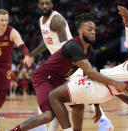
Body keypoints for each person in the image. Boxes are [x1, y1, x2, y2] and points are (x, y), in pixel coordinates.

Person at [47, 5, 128, 130]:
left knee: (53, 97)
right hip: (106, 93)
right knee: (73, 104)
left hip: (97, 85)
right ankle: (102, 121)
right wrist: (116, 90)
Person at [10, 11, 128, 131]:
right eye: (89, 29)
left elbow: (89, 80)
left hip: (60, 79)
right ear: (80, 31)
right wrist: (117, 83)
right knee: (48, 115)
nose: (93, 31)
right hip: (44, 78)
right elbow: (91, 73)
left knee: (78, 107)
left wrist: (97, 106)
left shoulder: (89, 51)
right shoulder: (73, 46)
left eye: (94, 29)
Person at [29, 0, 114, 131]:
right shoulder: (41, 20)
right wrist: (32, 54)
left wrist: (64, 61)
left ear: (52, 4)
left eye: (47, 3)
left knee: (84, 93)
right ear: (38, 5)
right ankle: (43, 127)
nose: (45, 6)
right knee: (51, 97)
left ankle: (104, 121)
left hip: (70, 61)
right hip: (58, 67)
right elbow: (46, 42)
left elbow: (65, 45)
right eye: (42, 3)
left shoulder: (57, 20)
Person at [0, 9, 31, 131]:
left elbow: (22, 45)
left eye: (6, 20)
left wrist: (26, 55)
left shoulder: (12, 32)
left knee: (3, 93)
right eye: (1, 20)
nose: (4, 22)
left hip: (5, 66)